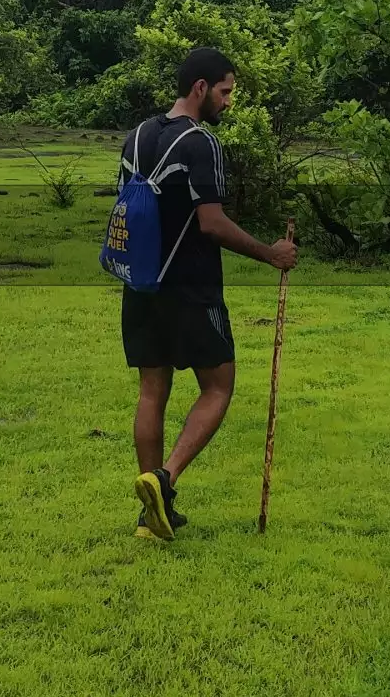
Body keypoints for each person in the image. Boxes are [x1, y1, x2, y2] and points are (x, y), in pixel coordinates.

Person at [124, 45, 297, 541]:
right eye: (224, 92)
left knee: (152, 391)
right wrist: (271, 253)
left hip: (140, 283)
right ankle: (164, 479)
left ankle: (151, 514)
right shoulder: (201, 143)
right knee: (218, 386)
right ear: (200, 88)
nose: (228, 101)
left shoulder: (136, 137)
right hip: (190, 286)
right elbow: (212, 224)